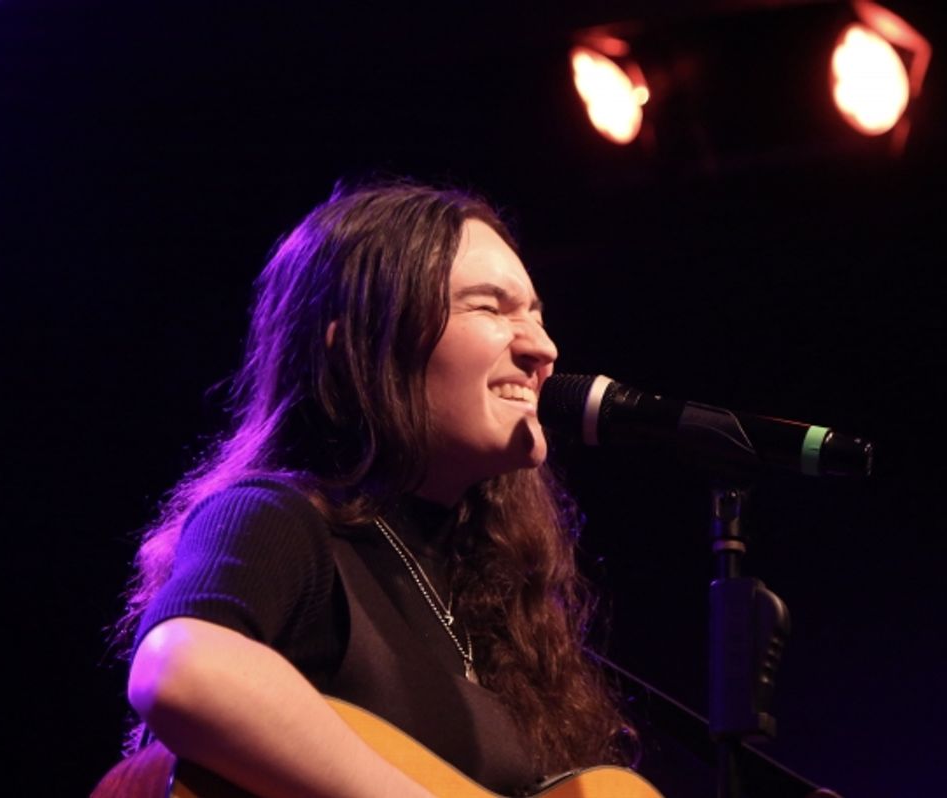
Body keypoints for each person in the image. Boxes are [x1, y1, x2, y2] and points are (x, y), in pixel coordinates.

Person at [103, 181, 632, 797]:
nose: (543, 348)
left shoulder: (495, 603)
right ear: (355, 345)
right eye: (490, 307)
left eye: (536, 313)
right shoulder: (279, 518)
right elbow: (181, 668)